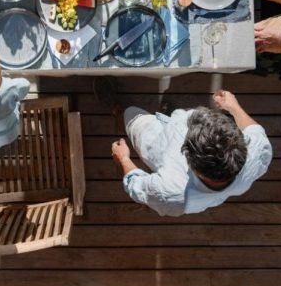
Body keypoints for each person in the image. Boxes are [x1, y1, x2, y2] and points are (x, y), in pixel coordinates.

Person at [110, 91, 272, 217]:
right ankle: (166, 114)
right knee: (176, 115)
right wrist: (234, 107)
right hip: (170, 132)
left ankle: (119, 115)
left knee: (131, 114)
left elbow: (137, 186)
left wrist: (123, 158)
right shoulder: (256, 153)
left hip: (153, 142)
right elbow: (255, 131)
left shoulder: (173, 193)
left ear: (192, 163)